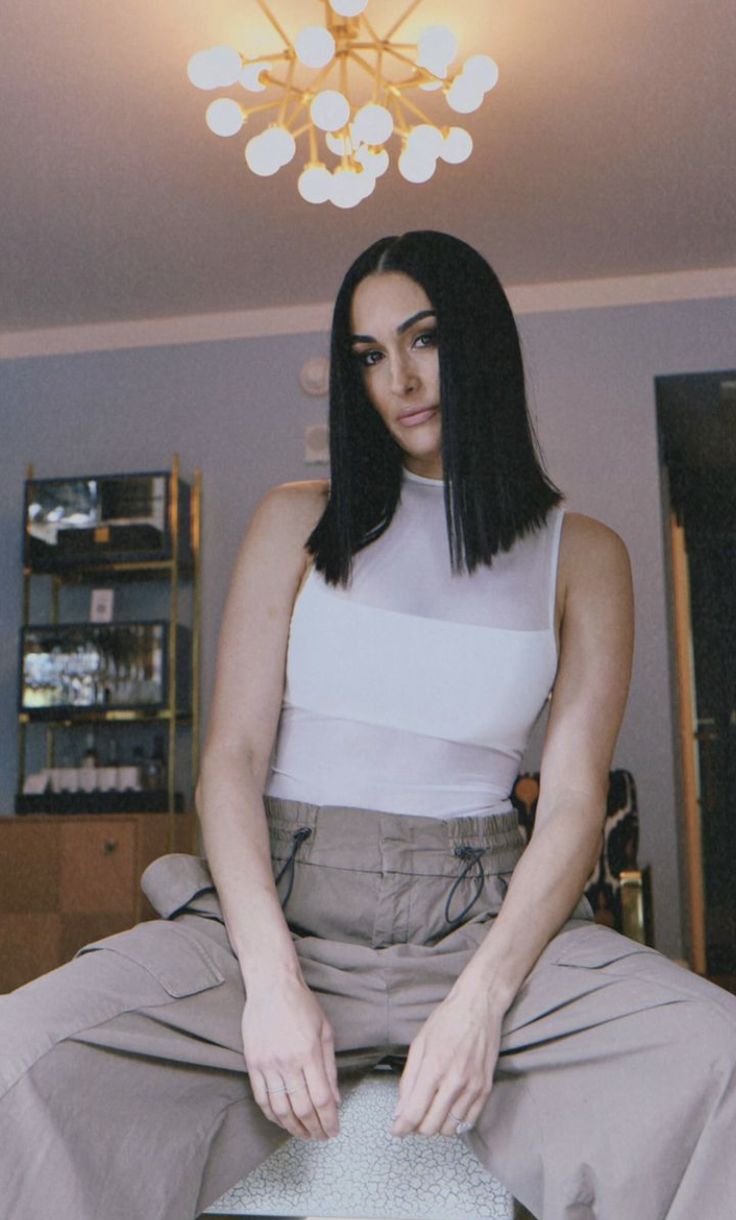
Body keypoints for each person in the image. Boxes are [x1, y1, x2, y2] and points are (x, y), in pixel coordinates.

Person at [1, 231, 735, 1220]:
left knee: (719, 1055)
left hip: (483, 916)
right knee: (21, 1057)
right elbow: (231, 761)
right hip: (283, 903)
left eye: (424, 339)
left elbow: (567, 805)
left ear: (480, 342)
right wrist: (270, 982)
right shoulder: (293, 521)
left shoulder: (584, 554)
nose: (398, 377)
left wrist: (479, 1002)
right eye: (368, 353)